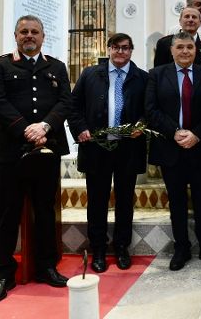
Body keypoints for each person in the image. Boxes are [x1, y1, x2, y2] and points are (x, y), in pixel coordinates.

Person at [0, 15, 72, 304]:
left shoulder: (56, 67)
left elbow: (65, 102)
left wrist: (45, 126)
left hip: (47, 150)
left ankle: (46, 267)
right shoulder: (0, 65)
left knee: (44, 211)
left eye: (35, 32)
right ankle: (4, 273)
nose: (29, 36)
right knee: (8, 213)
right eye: (24, 32)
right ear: (16, 35)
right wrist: (26, 129)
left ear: (43, 37)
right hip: (13, 153)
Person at [68, 33, 148, 274]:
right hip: (97, 148)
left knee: (125, 200)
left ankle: (122, 247)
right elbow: (74, 106)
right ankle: (99, 249)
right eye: (116, 47)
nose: (120, 52)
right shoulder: (90, 74)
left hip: (128, 149)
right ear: (109, 49)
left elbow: (150, 109)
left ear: (131, 50)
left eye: (125, 48)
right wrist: (80, 128)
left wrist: (141, 126)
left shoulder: (142, 78)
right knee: (97, 201)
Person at [145, 32, 201, 271]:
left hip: (200, 147)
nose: (185, 51)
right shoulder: (157, 75)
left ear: (196, 50)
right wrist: (174, 131)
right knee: (176, 202)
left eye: (190, 47)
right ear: (172, 50)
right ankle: (181, 248)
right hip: (170, 147)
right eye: (180, 47)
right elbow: (151, 110)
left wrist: (196, 134)